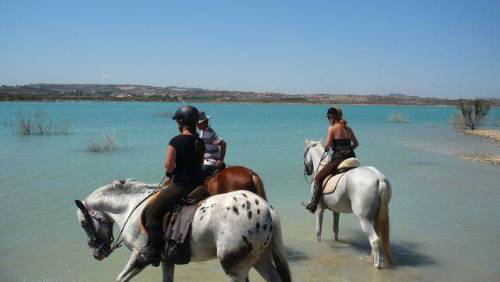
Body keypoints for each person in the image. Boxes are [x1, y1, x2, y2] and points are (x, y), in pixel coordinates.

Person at [142, 105, 205, 267]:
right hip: (199, 186)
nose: (177, 123)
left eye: (178, 121)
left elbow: (168, 166)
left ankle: (154, 253)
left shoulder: (176, 141)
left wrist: (171, 173)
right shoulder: (200, 141)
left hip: (182, 186)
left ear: (181, 122)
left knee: (151, 213)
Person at [304, 107, 359, 214]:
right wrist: (347, 149)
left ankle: (313, 204)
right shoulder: (348, 129)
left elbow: (326, 146)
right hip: (352, 157)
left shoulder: (332, 128)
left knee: (318, 177)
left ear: (331, 117)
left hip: (339, 159)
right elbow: (356, 144)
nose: (328, 120)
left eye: (328, 117)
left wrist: (326, 148)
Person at [196, 111, 227, 178]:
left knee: (200, 173)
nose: (197, 125)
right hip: (205, 158)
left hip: (211, 159)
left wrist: (220, 160)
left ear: (204, 123)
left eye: (198, 123)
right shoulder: (202, 131)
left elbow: (223, 144)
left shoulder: (210, 134)